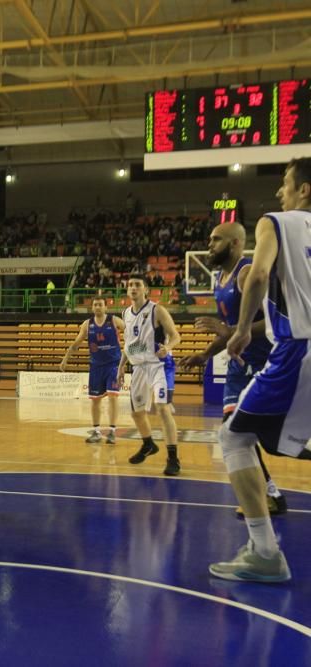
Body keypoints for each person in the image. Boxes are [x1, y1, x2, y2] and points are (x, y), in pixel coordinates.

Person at [209, 158, 311, 583]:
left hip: (298, 347)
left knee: (233, 436)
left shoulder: (277, 222)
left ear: (304, 190)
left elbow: (260, 275)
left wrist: (241, 332)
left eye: (285, 183)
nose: (279, 192)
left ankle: (265, 552)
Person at [181, 222, 286, 517]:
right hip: (240, 365)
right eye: (210, 238)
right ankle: (270, 495)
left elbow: (274, 321)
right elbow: (229, 332)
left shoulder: (246, 273)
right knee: (233, 431)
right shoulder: (221, 278)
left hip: (267, 362)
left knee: (270, 438)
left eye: (216, 239)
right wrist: (205, 354)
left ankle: (271, 497)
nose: (210, 244)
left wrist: (231, 331)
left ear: (237, 243)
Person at [119, 275, 182, 476]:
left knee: (162, 409)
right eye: (130, 285)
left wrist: (168, 347)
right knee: (136, 412)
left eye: (137, 285)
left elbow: (176, 336)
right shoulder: (126, 313)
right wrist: (121, 366)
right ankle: (148, 444)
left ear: (146, 289)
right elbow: (130, 344)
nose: (133, 288)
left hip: (160, 365)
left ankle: (173, 458)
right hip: (138, 366)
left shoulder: (157, 310)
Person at [60, 296, 124, 444]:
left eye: (100, 305)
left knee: (113, 397)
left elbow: (130, 331)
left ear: (106, 307)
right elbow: (76, 343)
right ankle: (96, 432)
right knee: (95, 400)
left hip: (113, 365)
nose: (97, 307)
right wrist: (65, 358)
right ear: (92, 307)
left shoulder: (114, 321)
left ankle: (112, 431)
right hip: (96, 367)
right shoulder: (87, 324)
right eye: (95, 305)